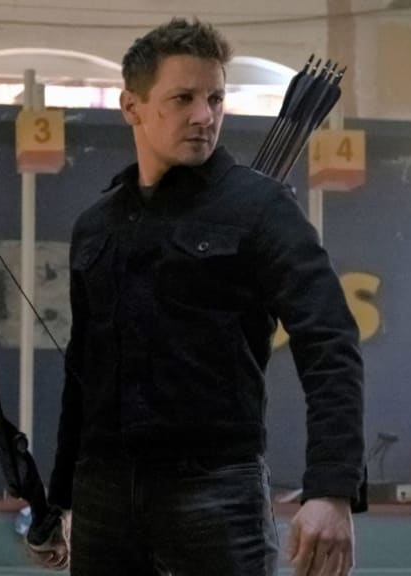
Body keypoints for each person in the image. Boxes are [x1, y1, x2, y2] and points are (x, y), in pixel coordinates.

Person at [28, 18, 365, 576]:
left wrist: (332, 488)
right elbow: (83, 374)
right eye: (182, 98)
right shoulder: (97, 225)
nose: (205, 115)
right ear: (132, 107)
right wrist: (60, 499)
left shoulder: (261, 208)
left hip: (218, 492)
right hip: (105, 496)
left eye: (215, 98)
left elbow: (329, 339)